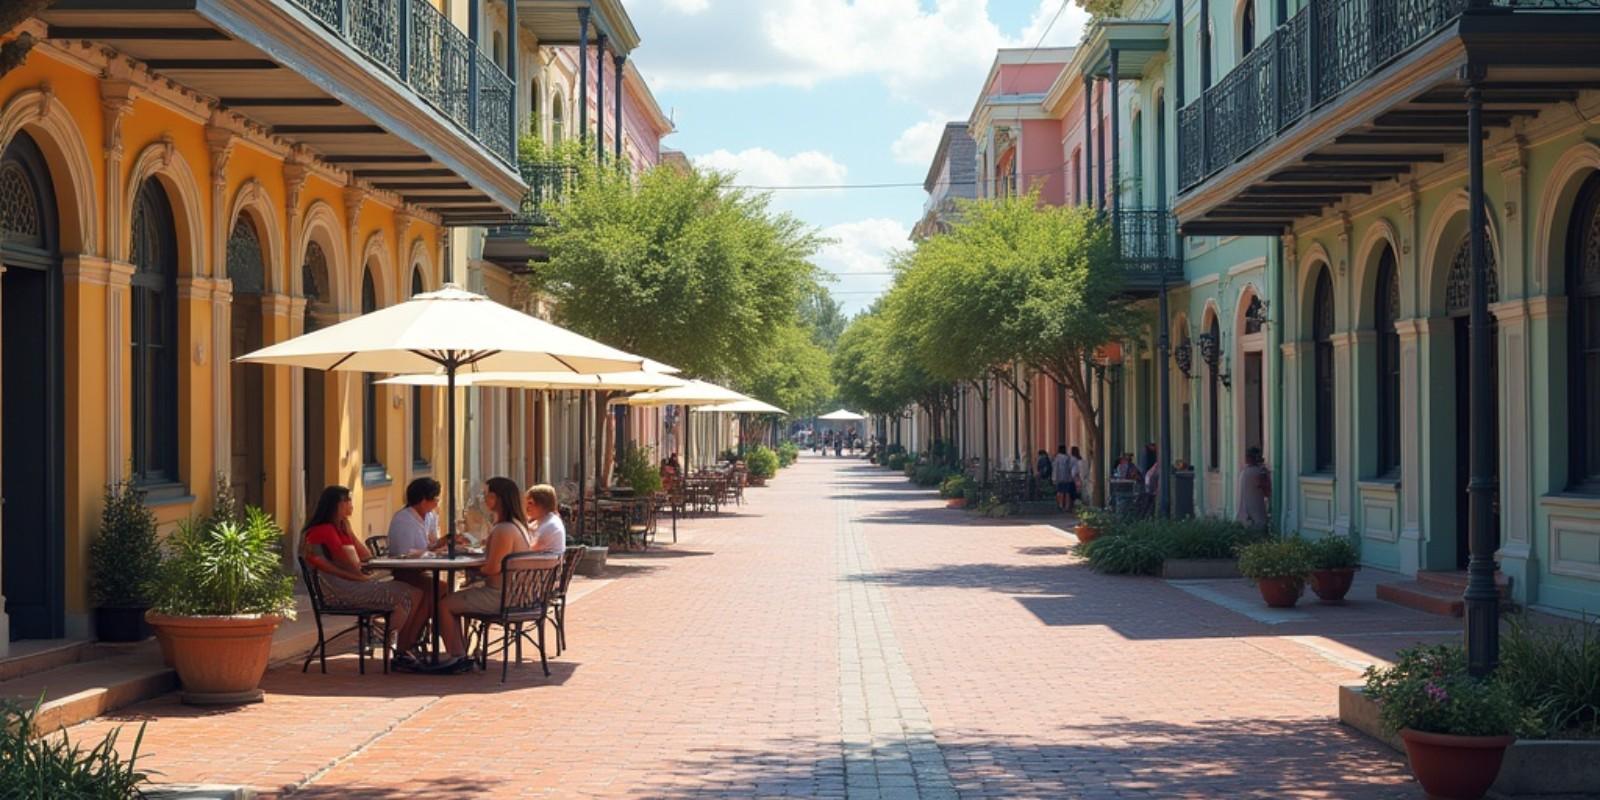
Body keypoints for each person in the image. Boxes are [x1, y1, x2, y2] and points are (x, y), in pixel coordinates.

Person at [302, 486, 431, 670]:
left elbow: (365, 556)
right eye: (348, 501)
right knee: (409, 594)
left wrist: (350, 533)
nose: (351, 505)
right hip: (341, 590)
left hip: (354, 582)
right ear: (337, 505)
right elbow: (344, 564)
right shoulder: (323, 531)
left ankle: (398, 645)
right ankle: (395, 645)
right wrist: (360, 578)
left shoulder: (340, 528)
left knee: (415, 593)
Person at [437, 477, 536, 667]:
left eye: (487, 495)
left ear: (497, 498)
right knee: (455, 599)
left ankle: (457, 655)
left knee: (445, 605)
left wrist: (469, 566)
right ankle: (461, 650)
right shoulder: (517, 526)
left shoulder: (504, 530)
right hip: (515, 593)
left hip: (501, 596)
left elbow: (493, 568)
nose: (483, 499)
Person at [387, 477, 444, 556]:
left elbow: (432, 544)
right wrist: (433, 553)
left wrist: (445, 542)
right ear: (423, 501)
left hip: (426, 565)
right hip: (406, 566)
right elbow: (405, 554)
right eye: (435, 499)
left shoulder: (429, 516)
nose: (437, 503)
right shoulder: (403, 520)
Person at [1236, 446, 1273, 530]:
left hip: (1243, 517)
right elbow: (1267, 492)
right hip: (1256, 518)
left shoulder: (1244, 472)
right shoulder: (1258, 472)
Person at [524, 484, 567, 555]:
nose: (527, 507)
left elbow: (528, 549)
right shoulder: (543, 520)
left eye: (530, 503)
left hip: (545, 565)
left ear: (542, 504)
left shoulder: (550, 525)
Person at [1051, 445, 1073, 512]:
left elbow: (1055, 469)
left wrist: (1054, 478)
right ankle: (1067, 505)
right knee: (1067, 492)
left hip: (1059, 478)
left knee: (1059, 492)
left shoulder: (1057, 458)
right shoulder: (1068, 458)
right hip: (1066, 478)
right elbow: (1070, 468)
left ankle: (1060, 505)